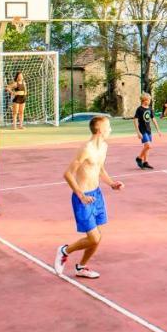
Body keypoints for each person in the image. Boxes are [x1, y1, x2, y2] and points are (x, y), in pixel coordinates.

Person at [54, 116, 123, 279]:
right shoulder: (86, 148)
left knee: (97, 238)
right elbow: (68, 174)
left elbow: (100, 169)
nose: (110, 129)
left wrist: (112, 184)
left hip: (96, 195)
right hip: (83, 197)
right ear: (99, 130)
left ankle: (82, 267)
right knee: (94, 237)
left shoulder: (104, 147)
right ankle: (64, 251)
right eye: (108, 127)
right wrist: (81, 195)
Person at [134, 93, 155, 170]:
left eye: (149, 100)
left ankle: (145, 162)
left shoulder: (149, 108)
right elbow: (135, 120)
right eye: (148, 100)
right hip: (142, 130)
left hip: (148, 130)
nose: (149, 101)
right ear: (144, 100)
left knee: (147, 147)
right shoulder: (139, 109)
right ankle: (139, 158)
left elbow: (153, 119)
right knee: (148, 146)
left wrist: (158, 129)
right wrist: (138, 132)